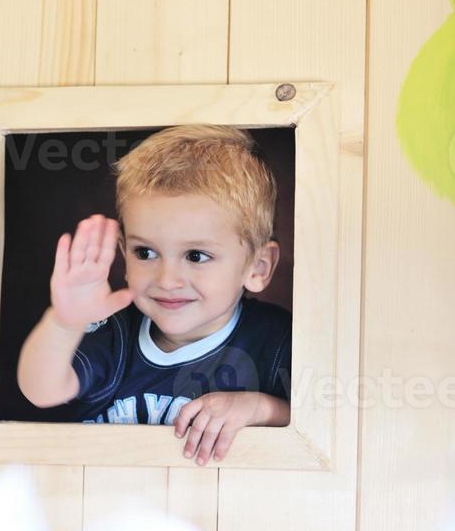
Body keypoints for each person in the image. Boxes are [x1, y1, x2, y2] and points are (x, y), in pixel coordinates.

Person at [17, 125, 292, 465]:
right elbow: (41, 391)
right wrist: (64, 323)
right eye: (145, 253)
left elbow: (327, 426)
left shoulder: (277, 340)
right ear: (124, 251)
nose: (167, 279)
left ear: (258, 267)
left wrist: (261, 408)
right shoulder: (114, 331)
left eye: (195, 256)